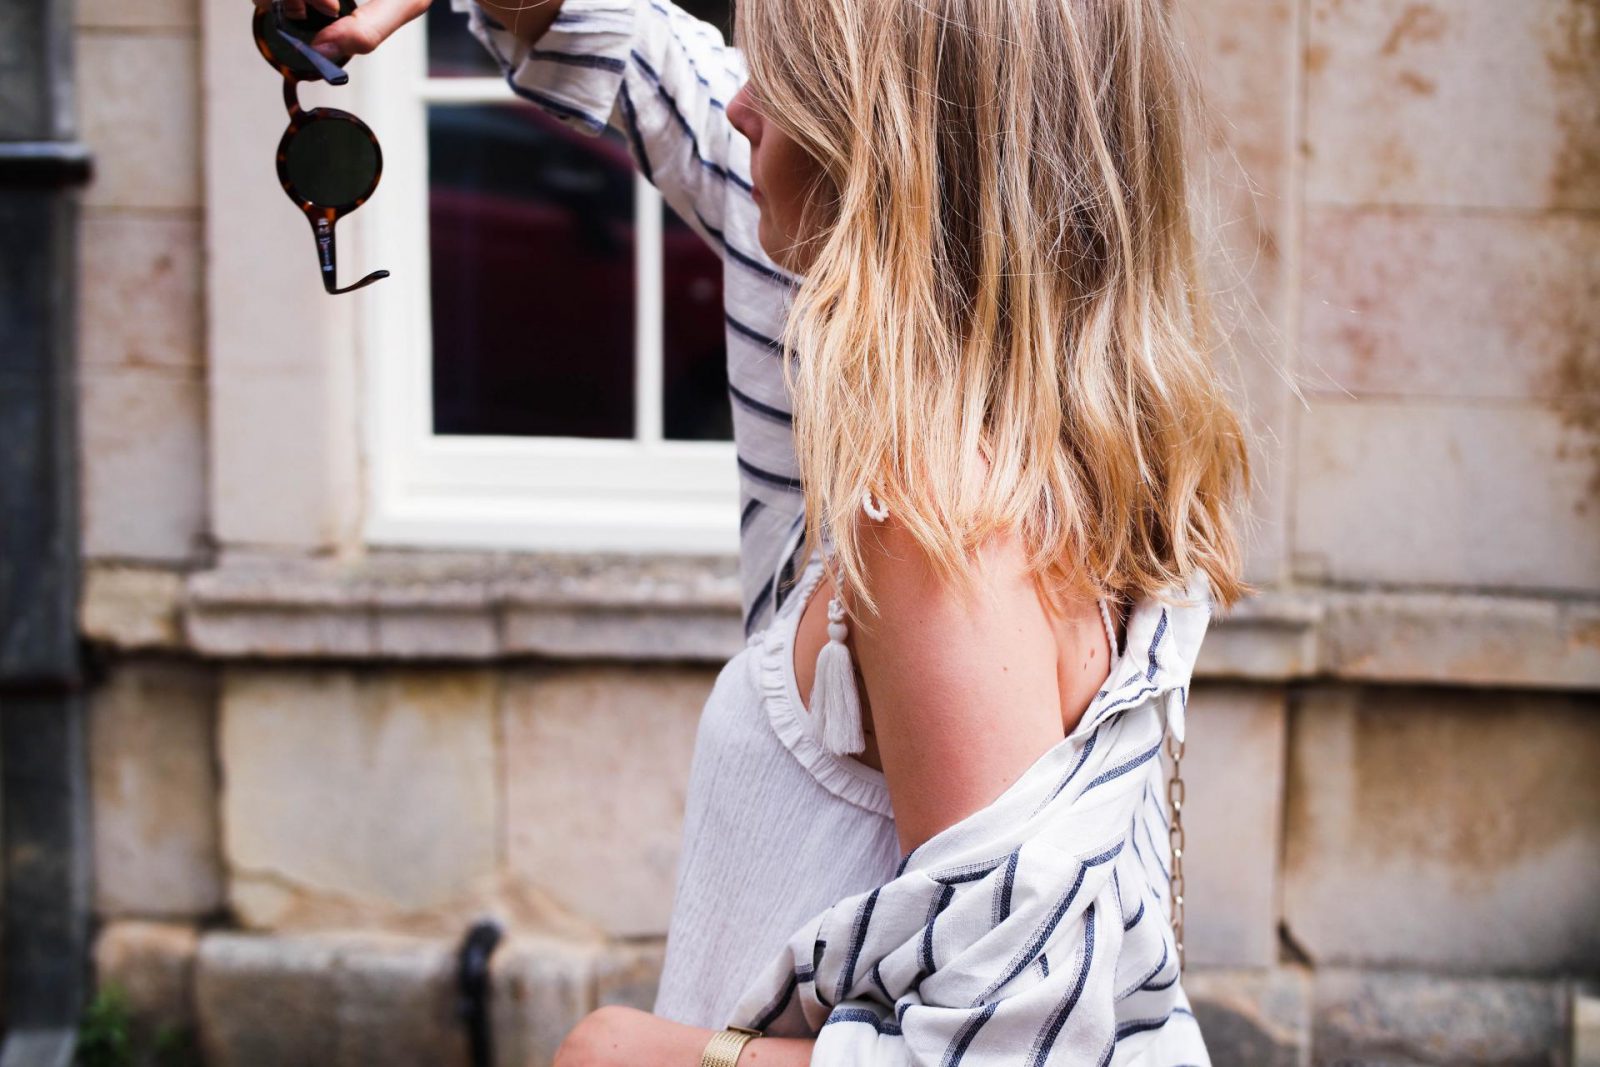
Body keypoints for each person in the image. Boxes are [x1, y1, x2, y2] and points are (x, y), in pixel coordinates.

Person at [284, 0, 1254, 1062]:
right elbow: (658, 70)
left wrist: (631, 1053)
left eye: (784, 75)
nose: (739, 102)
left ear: (883, 142)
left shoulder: (938, 513)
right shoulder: (1033, 431)